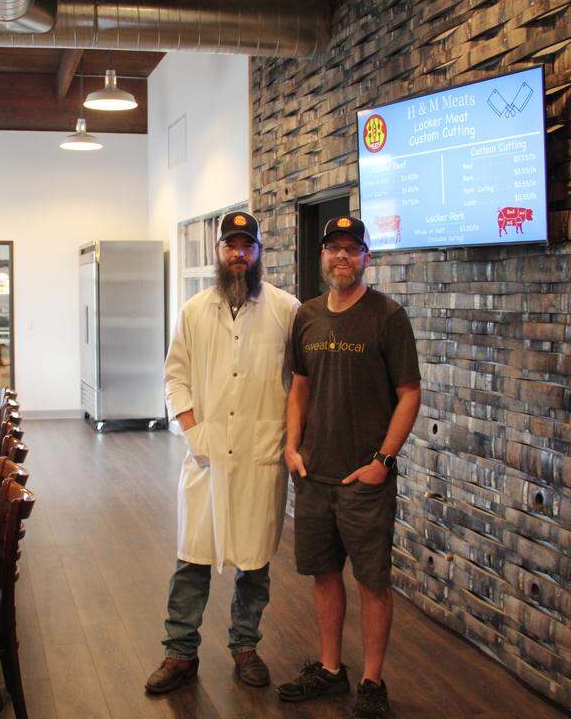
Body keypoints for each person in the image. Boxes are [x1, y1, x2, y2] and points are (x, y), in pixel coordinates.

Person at [146, 211, 300, 694]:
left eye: (247, 246)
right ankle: (180, 653)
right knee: (192, 558)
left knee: (254, 563)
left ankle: (245, 646)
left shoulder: (286, 310)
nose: (239, 254)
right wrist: (193, 429)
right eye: (230, 246)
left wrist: (290, 440)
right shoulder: (193, 311)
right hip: (207, 456)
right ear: (218, 251)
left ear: (258, 252)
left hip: (259, 456)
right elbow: (175, 375)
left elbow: (299, 383)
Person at [276, 216, 422, 719]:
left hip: (365, 479)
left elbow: (410, 395)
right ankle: (331, 669)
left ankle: (372, 682)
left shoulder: (387, 316)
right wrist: (292, 446)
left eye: (351, 249)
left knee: (373, 582)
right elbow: (299, 385)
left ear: (366, 257)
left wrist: (383, 461)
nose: (342, 257)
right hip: (314, 474)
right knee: (323, 575)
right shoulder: (308, 317)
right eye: (333, 249)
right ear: (323, 257)